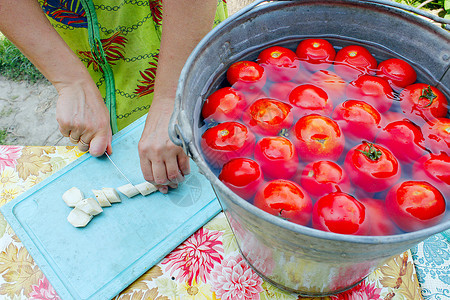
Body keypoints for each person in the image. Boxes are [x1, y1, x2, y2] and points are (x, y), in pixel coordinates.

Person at [0, 0, 228, 193]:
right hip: (80, 45)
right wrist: (71, 81)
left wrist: (171, 97)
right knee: (131, 148)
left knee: (215, 139)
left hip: (180, 32)